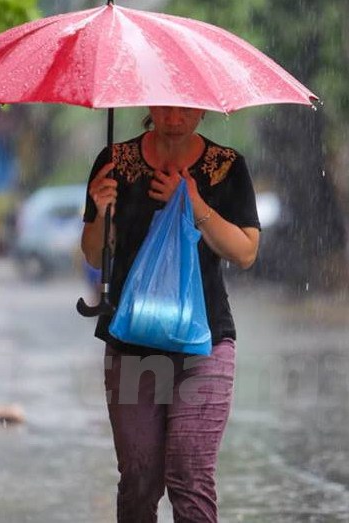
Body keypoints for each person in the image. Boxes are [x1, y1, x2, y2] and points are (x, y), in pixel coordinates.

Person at [81, 106, 260, 522]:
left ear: (202, 109)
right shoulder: (114, 163)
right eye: (165, 104)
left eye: (185, 107)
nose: (175, 116)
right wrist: (102, 209)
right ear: (148, 104)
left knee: (190, 476)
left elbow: (245, 251)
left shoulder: (226, 166)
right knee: (139, 478)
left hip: (205, 345)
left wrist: (192, 201)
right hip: (131, 343)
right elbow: (93, 253)